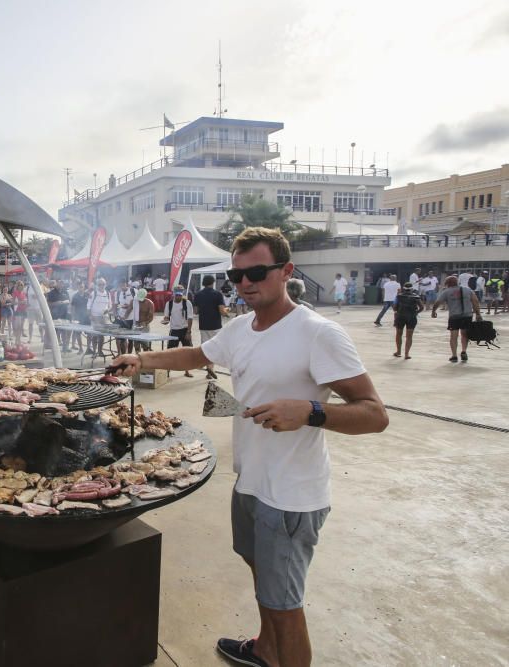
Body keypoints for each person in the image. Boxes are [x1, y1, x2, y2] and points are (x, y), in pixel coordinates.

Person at [110, 226, 388, 667]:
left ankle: (283, 651)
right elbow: (199, 356)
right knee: (263, 580)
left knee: (285, 604)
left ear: (286, 271)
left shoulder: (319, 334)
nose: (244, 284)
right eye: (236, 277)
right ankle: (266, 649)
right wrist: (142, 359)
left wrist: (311, 411)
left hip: (292, 494)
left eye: (257, 272)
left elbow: (375, 413)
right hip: (251, 481)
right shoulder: (242, 328)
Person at [431, 275, 482, 363]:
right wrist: (478, 314)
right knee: (465, 334)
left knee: (453, 336)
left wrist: (433, 311)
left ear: (447, 284)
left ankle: (454, 355)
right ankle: (464, 351)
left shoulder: (447, 291)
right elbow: (475, 301)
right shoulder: (467, 289)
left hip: (454, 317)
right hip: (467, 316)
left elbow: (438, 302)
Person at [194, 275, 229, 379]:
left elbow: (196, 311)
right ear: (212, 282)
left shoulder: (198, 294)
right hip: (215, 325)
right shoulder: (217, 294)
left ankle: (208, 368)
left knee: (206, 347)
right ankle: (210, 369)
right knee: (214, 348)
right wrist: (227, 311)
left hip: (203, 324)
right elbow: (222, 311)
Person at [161, 286, 194, 378]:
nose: (178, 297)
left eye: (180, 295)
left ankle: (187, 371)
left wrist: (188, 332)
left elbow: (190, 318)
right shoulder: (169, 304)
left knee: (187, 352)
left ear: (182, 294)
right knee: (170, 352)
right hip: (174, 331)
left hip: (184, 330)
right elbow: (166, 317)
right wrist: (165, 321)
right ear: (173, 294)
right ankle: (167, 371)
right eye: (177, 295)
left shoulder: (187, 303)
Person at [393, 282, 424, 359]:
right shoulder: (416, 296)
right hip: (412, 317)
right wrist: (416, 312)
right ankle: (407, 354)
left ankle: (398, 352)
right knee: (409, 336)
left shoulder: (398, 296)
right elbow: (422, 307)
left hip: (400, 317)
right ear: (412, 289)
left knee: (398, 334)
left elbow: (394, 307)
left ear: (404, 288)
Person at [86, 278, 113, 357]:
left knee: (101, 335)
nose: (101, 286)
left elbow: (110, 305)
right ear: (97, 285)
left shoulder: (108, 293)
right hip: (95, 317)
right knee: (94, 335)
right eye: (99, 284)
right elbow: (88, 306)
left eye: (103, 284)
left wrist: (107, 310)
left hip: (104, 317)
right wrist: (90, 316)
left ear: (106, 285)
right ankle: (94, 352)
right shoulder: (93, 293)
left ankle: (100, 351)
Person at [69, 281, 90, 352]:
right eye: (79, 287)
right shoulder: (75, 296)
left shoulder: (87, 295)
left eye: (82, 287)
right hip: (78, 317)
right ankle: (81, 348)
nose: (81, 288)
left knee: (89, 333)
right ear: (78, 287)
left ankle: (88, 348)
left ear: (84, 287)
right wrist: (73, 318)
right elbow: (72, 308)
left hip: (87, 317)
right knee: (78, 333)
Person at [11, 280, 28, 347]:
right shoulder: (15, 292)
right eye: (19, 285)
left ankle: (19, 340)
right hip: (17, 311)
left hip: (23, 310)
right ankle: (16, 341)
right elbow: (13, 303)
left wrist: (26, 302)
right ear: (17, 286)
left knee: (21, 327)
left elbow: (26, 301)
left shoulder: (23, 293)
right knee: (18, 326)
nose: (20, 286)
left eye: (21, 285)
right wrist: (20, 302)